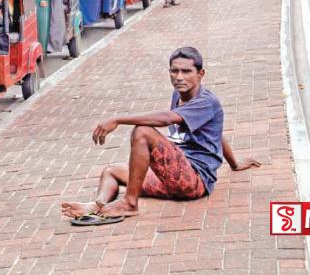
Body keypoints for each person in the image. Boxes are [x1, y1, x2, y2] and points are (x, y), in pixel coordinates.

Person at [60, 47, 260, 225]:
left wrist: (118, 119)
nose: (179, 77)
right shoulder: (179, 95)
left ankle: (130, 203)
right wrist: (235, 163)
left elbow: (165, 119)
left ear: (200, 74)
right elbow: (216, 134)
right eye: (175, 71)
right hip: (170, 177)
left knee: (142, 132)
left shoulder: (206, 102)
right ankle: (96, 206)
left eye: (186, 71)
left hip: (193, 181)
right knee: (111, 171)